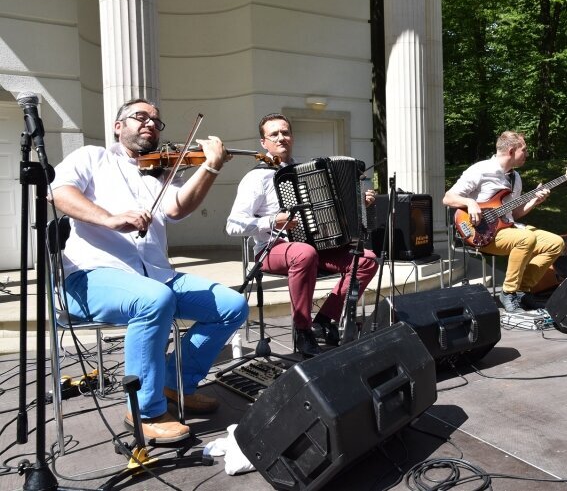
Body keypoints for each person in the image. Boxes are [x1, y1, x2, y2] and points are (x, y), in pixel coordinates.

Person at [50, 98, 249, 444]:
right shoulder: (92, 158)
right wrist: (110, 219)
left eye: (157, 121)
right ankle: (144, 409)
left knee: (232, 306)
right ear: (118, 126)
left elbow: (177, 208)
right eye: (140, 117)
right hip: (91, 275)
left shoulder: (158, 174)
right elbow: (58, 192)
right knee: (153, 300)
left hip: (155, 275)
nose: (150, 124)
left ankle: (174, 383)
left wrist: (211, 167)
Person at [226, 113, 379, 357]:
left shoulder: (305, 173)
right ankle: (302, 328)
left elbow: (329, 210)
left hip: (313, 247)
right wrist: (271, 220)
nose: (281, 138)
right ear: (263, 142)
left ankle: (325, 318)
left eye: (285, 132)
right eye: (274, 134)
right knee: (303, 253)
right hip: (270, 248)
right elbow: (232, 225)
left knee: (367, 259)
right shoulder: (256, 177)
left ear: (292, 137)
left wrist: (360, 204)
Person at [442, 131, 565, 313]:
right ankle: (508, 292)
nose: (527, 154)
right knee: (526, 239)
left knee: (556, 243)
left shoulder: (516, 178)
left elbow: (514, 213)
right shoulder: (480, 170)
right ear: (511, 150)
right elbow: (448, 198)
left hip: (508, 228)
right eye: (524, 150)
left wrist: (534, 201)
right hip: (481, 233)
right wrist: (470, 202)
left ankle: (522, 291)